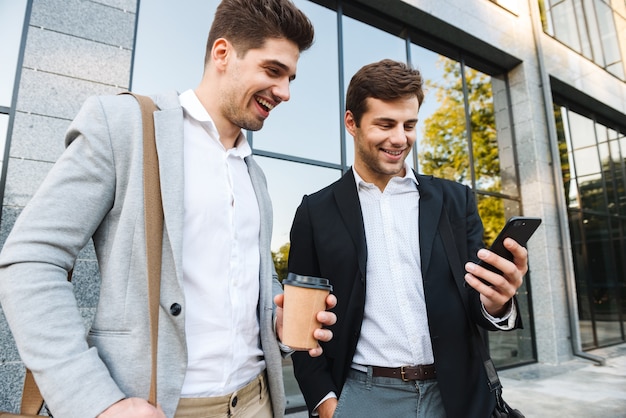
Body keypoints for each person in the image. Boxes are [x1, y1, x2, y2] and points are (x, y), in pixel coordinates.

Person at [0, 1, 337, 417]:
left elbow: (252, 275)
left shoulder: (254, 173)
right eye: (272, 71)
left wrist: (276, 321)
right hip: (164, 407)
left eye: (290, 77)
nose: (285, 92)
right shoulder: (124, 125)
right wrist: (95, 401)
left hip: (259, 402)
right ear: (222, 54)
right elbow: (30, 259)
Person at [287, 59, 528, 418]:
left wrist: (498, 302)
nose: (400, 138)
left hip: (456, 397)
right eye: (385, 124)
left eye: (409, 125)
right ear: (351, 123)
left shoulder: (455, 201)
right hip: (361, 398)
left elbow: (476, 301)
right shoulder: (315, 212)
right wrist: (325, 403)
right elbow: (300, 324)